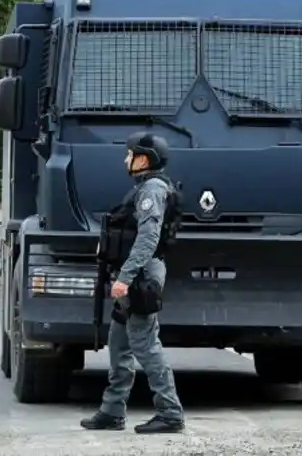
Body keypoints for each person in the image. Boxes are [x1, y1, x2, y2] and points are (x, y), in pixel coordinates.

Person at [81, 131, 185, 434]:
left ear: (144, 159)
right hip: (135, 273)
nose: (125, 159)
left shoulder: (152, 190)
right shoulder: (146, 187)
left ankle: (170, 413)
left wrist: (125, 278)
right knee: (119, 342)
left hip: (141, 275)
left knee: (146, 344)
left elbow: (148, 238)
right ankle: (112, 411)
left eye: (130, 154)